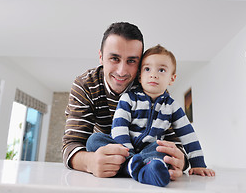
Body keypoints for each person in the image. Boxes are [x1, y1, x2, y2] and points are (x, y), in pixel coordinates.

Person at [62, 22, 188, 180]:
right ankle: (139, 168)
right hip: (107, 156)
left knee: (159, 149)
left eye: (131, 61)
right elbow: (72, 144)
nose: (122, 71)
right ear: (101, 56)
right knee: (93, 141)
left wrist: (179, 162)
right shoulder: (85, 85)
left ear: (141, 63)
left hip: (145, 151)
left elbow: (175, 143)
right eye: (114, 58)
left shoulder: (153, 87)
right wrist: (90, 162)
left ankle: (135, 166)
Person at [86, 44, 215, 187]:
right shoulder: (128, 98)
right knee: (94, 140)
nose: (153, 74)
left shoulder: (172, 106)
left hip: (151, 149)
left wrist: (198, 163)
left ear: (172, 79)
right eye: (147, 69)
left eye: (161, 70)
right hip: (123, 148)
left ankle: (139, 168)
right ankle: (134, 165)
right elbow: (119, 128)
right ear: (140, 77)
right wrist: (129, 153)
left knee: (163, 151)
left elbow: (188, 135)